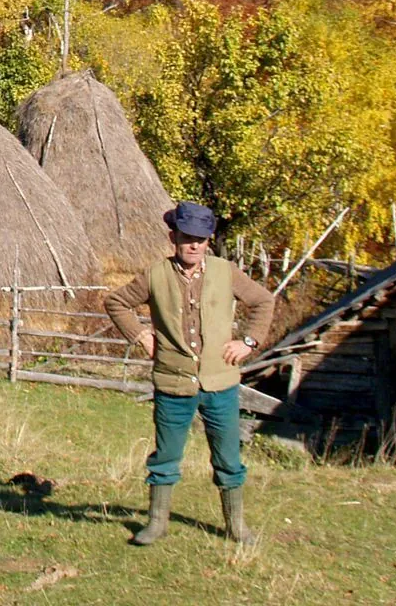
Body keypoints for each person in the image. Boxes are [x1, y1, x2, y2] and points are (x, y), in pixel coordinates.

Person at [102, 202, 275, 546]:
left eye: (200, 239)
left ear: (208, 241)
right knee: (165, 457)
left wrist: (249, 342)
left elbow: (263, 302)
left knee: (228, 457)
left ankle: (236, 526)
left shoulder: (226, 272)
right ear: (173, 237)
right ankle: (156, 523)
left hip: (220, 383)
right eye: (186, 238)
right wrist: (140, 335)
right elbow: (116, 303)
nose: (193, 245)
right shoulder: (155, 275)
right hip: (172, 382)